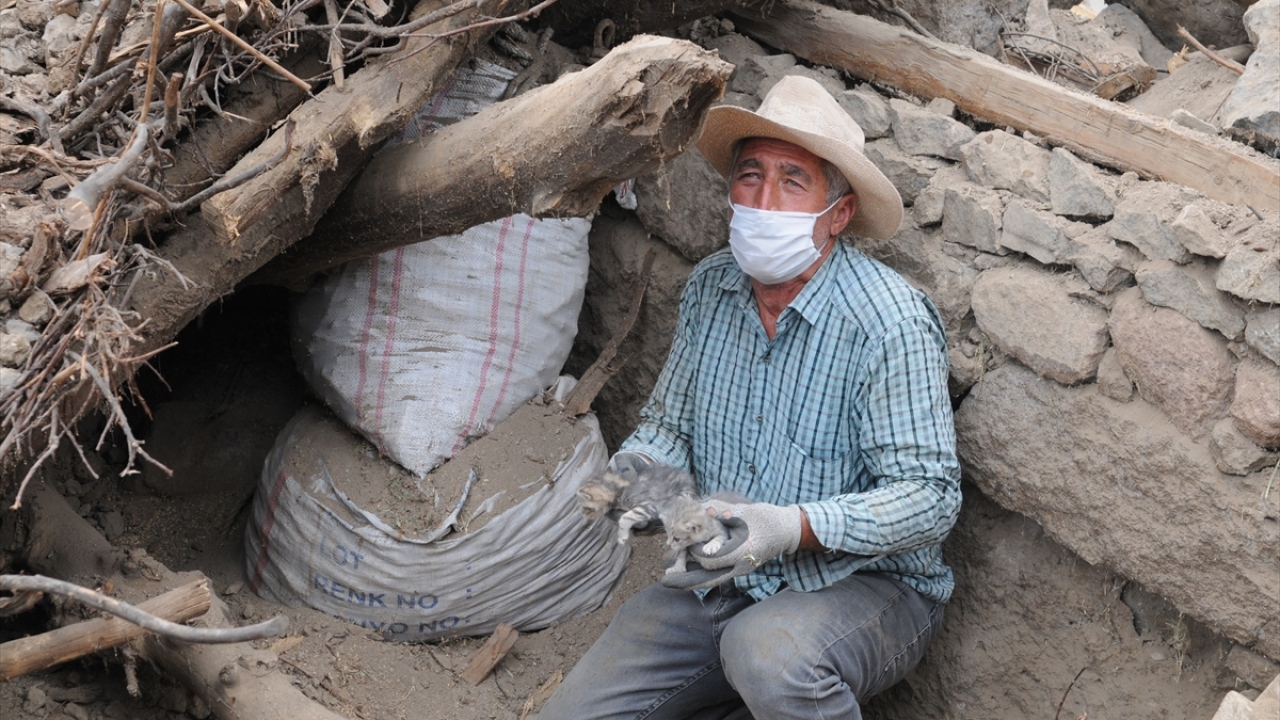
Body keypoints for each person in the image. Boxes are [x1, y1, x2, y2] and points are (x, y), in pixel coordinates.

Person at [539, 76, 961, 720]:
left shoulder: (889, 323)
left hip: (867, 587)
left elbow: (931, 499)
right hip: (725, 572)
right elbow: (669, 426)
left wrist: (788, 527)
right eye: (750, 177)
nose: (764, 201)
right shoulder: (713, 287)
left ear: (838, 214)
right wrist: (639, 479)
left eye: (793, 181)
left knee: (767, 653)